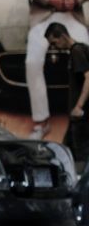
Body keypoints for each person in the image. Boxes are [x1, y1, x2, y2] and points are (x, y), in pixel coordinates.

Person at [19, 0, 89, 140]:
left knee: (87, 55)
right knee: (32, 61)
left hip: (71, 14)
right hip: (44, 14)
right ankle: (41, 122)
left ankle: (84, 113)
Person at [46, 21, 89, 162]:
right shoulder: (76, 51)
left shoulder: (77, 51)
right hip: (75, 117)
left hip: (81, 116)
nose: (55, 47)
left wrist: (79, 106)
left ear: (63, 36)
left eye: (54, 42)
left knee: (80, 156)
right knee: (66, 153)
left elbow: (88, 78)